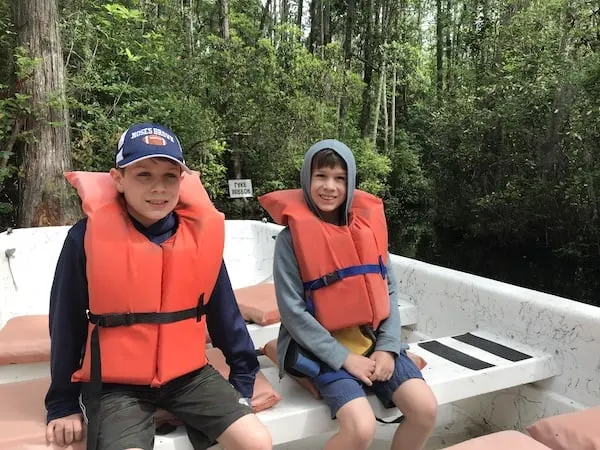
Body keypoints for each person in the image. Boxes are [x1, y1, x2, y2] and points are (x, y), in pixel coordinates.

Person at [44, 122, 272, 450]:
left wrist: (243, 375)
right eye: (144, 175)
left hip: (190, 377)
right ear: (118, 179)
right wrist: (62, 404)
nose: (159, 188)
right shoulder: (84, 238)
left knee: (257, 442)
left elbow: (225, 314)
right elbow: (66, 323)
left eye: (169, 176)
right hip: (115, 386)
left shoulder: (199, 238)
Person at [258, 139, 438, 450]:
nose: (330, 186)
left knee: (425, 410)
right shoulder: (289, 241)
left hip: (373, 341)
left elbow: (388, 292)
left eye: (339, 178)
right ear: (306, 180)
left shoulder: (367, 230)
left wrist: (388, 347)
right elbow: (292, 311)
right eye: (321, 176)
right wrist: (344, 359)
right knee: (360, 427)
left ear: (351, 182)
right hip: (320, 351)